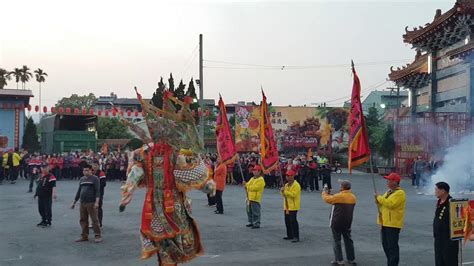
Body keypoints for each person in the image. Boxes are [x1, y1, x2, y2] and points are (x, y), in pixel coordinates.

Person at [322, 180, 357, 265]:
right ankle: (351, 258)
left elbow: (327, 199)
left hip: (336, 221)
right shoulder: (353, 197)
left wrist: (324, 192)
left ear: (342, 187)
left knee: (336, 240)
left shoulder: (338, 196)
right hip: (347, 221)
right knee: (348, 239)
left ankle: (339, 260)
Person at [375, 172, 406, 266]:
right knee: (386, 246)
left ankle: (393, 264)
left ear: (395, 182)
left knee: (392, 247)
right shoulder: (388, 192)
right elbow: (383, 204)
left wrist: (379, 198)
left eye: (389, 180)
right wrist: (377, 201)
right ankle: (390, 263)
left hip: (393, 224)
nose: (387, 182)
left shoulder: (400, 193)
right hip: (385, 222)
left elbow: (391, 204)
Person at [70, 164, 102, 243]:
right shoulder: (82, 179)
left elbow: (98, 191)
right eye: (84, 170)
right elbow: (78, 191)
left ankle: (97, 235)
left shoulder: (95, 179)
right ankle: (84, 236)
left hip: (91, 202)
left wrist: (97, 202)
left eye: (87, 170)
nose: (85, 172)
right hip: (82, 202)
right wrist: (74, 202)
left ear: (91, 170)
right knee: (83, 219)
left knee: (94, 220)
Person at [433, 182, 458, 266]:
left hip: (448, 240)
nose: (435, 191)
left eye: (436, 189)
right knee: (439, 261)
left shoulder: (451, 204)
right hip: (438, 239)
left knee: (449, 261)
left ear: (443, 191)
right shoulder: (439, 202)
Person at [281, 169, 301, 243]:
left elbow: (293, 195)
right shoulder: (286, 185)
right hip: (286, 206)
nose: (288, 177)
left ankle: (296, 236)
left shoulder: (296, 185)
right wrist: (282, 191)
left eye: (289, 176)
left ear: (293, 176)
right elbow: (284, 195)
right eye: (287, 176)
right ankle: (290, 235)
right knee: (287, 221)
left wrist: (285, 192)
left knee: (293, 221)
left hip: (293, 206)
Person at [244, 165, 266, 229]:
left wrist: (247, 186)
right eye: (253, 170)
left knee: (255, 211)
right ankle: (251, 222)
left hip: (255, 198)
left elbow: (255, 188)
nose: (254, 172)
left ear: (259, 172)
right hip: (249, 197)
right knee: (249, 211)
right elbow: (248, 184)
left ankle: (256, 223)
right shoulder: (252, 178)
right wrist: (245, 184)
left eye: (255, 170)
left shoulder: (261, 180)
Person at [92, 160, 106, 227]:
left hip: (99, 193)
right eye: (93, 165)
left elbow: (103, 184)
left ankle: (99, 223)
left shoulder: (101, 173)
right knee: (91, 208)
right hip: (91, 194)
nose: (94, 166)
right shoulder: (91, 173)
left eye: (96, 165)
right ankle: (93, 222)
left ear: (98, 165)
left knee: (99, 207)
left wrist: (96, 187)